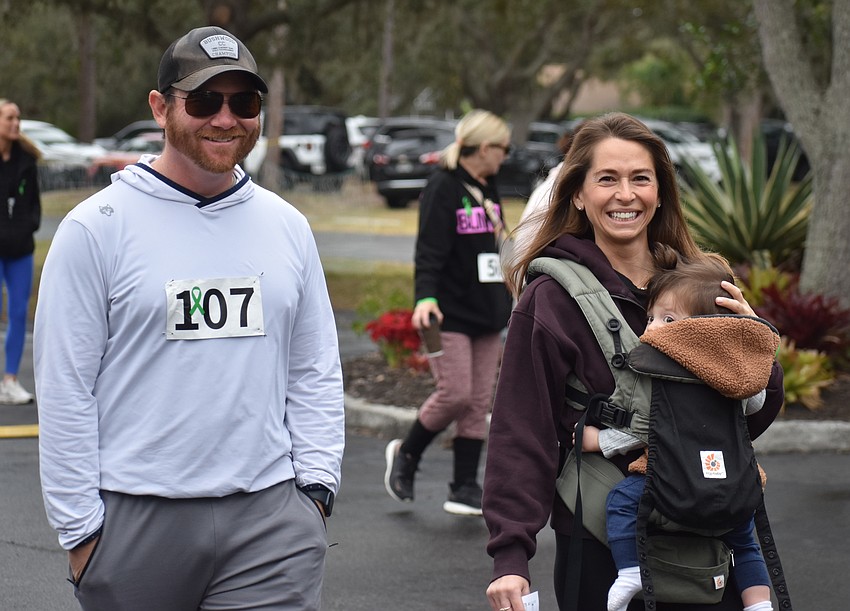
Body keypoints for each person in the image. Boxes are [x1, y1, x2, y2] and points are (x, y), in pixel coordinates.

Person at [34, 26, 345, 611]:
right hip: (135, 523)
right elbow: (65, 388)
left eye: (244, 102)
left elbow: (315, 368)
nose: (225, 119)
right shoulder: (95, 228)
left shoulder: (287, 226)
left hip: (271, 523)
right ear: (160, 107)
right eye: (204, 100)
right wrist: (83, 534)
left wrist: (316, 491)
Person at [482, 112, 784, 611]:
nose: (626, 195)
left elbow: (752, 416)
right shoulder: (551, 300)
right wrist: (510, 556)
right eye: (607, 179)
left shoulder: (702, 287)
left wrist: (753, 342)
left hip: (706, 531)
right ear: (578, 193)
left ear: (661, 192)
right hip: (602, 545)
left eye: (640, 178)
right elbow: (522, 430)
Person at [575, 247, 775, 611]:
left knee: (621, 502)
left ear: (703, 327)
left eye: (667, 320)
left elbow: (641, 429)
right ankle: (759, 602)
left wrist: (596, 441)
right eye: (651, 317)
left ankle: (631, 570)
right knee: (744, 540)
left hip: (672, 476)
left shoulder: (658, 374)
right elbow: (756, 402)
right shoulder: (734, 372)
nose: (651, 328)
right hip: (731, 479)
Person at [384, 109, 514, 516]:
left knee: (477, 401)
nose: (505, 157)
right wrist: (425, 297)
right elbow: (429, 250)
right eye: (503, 149)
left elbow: (496, 248)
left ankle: (463, 487)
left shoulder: (487, 185)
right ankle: (406, 454)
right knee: (454, 393)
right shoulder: (443, 186)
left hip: (488, 309)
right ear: (484, 147)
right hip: (450, 312)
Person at [0, 98, 40, 405]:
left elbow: (33, 210)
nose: (15, 124)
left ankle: (10, 381)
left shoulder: (27, 160)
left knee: (17, 313)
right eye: (9, 118)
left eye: (17, 118)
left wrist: (19, 233)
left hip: (20, 251)